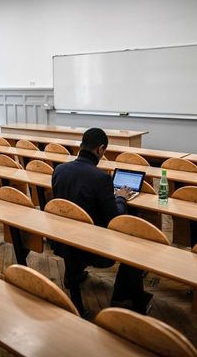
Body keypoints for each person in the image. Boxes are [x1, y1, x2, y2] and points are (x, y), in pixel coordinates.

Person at [52, 127, 151, 315]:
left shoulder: (59, 170)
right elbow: (115, 218)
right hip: (94, 248)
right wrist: (120, 198)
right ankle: (124, 299)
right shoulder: (100, 178)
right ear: (100, 149)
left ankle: (72, 273)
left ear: (81, 146)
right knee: (135, 241)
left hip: (66, 240)